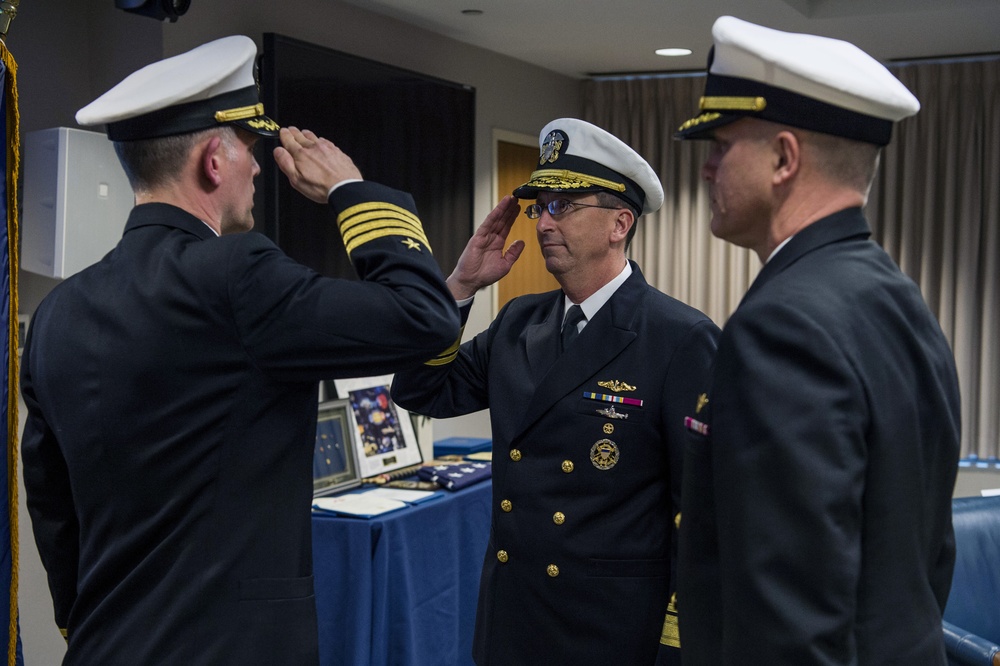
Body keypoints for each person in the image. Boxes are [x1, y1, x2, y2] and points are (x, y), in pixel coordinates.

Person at [21, 36, 459, 665]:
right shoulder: (235, 273)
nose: (258, 167)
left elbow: (54, 511)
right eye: (250, 149)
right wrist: (353, 191)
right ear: (212, 161)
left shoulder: (58, 314)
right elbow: (424, 318)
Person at [673, 16, 962, 665]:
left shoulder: (783, 325)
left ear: (784, 157)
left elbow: (788, 620)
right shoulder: (895, 294)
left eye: (720, 144)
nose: (707, 167)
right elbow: (927, 557)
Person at [391, 118, 720, 665]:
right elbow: (422, 390)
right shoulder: (521, 321)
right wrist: (459, 287)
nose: (544, 222)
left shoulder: (680, 338)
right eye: (540, 206)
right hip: (514, 620)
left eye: (563, 206)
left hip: (610, 632)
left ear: (620, 223)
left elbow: (702, 511)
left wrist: (677, 645)